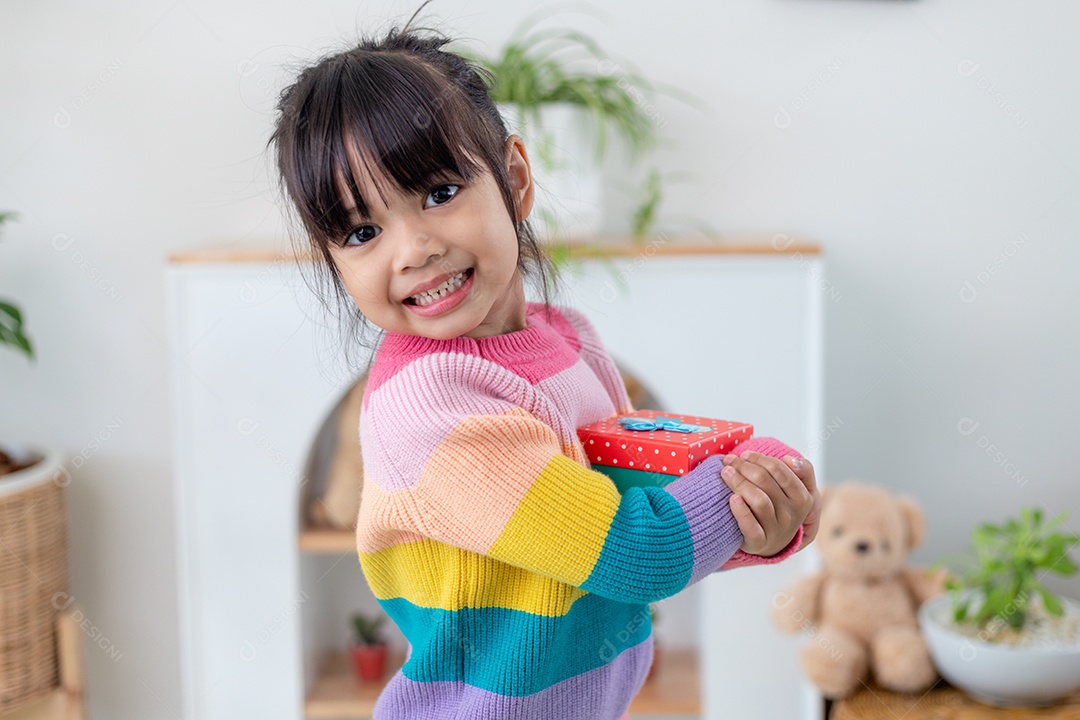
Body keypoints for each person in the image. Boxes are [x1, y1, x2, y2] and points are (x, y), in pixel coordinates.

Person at [270, 23, 821, 720]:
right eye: (361, 233)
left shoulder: (571, 342)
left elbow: (626, 513)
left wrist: (767, 519)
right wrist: (763, 464)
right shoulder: (430, 408)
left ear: (516, 181)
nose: (414, 249)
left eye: (439, 192)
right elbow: (633, 553)